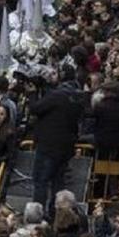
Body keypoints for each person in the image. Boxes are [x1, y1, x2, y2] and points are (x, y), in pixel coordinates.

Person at [28, 64, 85, 213]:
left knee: (41, 181)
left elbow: (35, 108)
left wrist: (32, 93)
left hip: (48, 147)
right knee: (58, 183)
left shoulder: (56, 96)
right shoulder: (76, 97)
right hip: (65, 148)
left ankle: (37, 214)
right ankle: (56, 214)